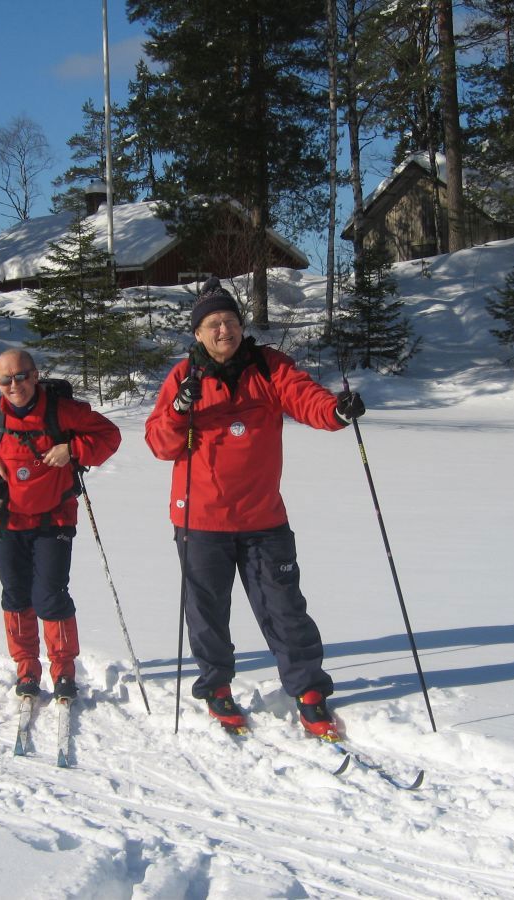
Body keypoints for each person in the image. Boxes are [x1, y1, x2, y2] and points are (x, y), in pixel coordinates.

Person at [144, 277, 366, 736]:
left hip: (263, 517)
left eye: (229, 321)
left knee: (285, 607)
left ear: (241, 325)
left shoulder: (268, 367)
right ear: (198, 334)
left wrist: (336, 412)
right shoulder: (183, 377)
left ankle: (307, 689)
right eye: (212, 324)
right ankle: (217, 687)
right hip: (200, 519)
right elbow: (160, 444)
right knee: (207, 612)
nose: (223, 331)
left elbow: (305, 398)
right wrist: (180, 409)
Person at [0, 349, 121, 700]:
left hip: (54, 517)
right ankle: (26, 669)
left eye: (21, 376)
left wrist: (73, 449)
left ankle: (64, 671)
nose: (14, 385)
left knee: (50, 596)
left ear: (35, 376)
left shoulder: (62, 411)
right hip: (7, 517)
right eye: (6, 379)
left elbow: (109, 436)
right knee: (16, 594)